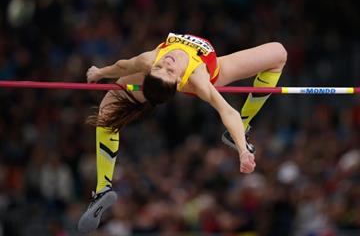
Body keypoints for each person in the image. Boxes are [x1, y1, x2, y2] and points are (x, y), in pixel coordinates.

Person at [77, 33, 287, 232]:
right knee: (108, 115)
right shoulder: (197, 78)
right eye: (166, 70)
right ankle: (103, 188)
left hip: (187, 71)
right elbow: (227, 111)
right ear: (178, 82)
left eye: (161, 67)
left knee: (279, 53)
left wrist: (100, 72)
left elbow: (123, 65)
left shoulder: (150, 60)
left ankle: (238, 131)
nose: (166, 63)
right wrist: (243, 151)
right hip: (215, 72)